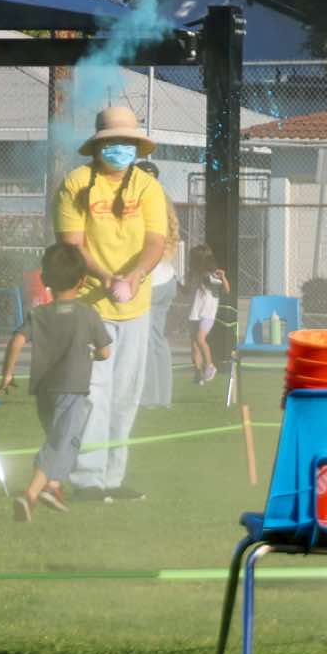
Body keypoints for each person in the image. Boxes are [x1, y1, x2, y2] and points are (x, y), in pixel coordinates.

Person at [55, 105, 169, 501]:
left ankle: (113, 479)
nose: (120, 148)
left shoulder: (148, 187)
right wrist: (105, 277)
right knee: (93, 393)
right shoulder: (76, 183)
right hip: (90, 306)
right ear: (98, 145)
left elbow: (155, 241)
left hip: (135, 306)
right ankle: (88, 479)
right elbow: (72, 244)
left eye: (127, 142)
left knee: (125, 394)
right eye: (113, 142)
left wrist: (135, 276)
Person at [0, 244, 113, 521]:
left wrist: (7, 374)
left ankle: (52, 486)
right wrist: (93, 354)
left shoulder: (38, 314)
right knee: (59, 441)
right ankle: (30, 494)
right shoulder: (88, 314)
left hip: (43, 390)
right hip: (71, 388)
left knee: (68, 438)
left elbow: (17, 341)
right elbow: (105, 352)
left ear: (45, 279)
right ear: (82, 281)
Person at [135, 161, 179, 409]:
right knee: (158, 340)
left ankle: (150, 397)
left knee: (148, 340)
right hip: (166, 278)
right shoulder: (165, 200)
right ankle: (163, 397)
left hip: (152, 281)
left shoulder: (145, 202)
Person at [185, 243, 229, 386]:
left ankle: (210, 366)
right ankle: (198, 374)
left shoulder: (211, 275)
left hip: (207, 314)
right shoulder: (192, 275)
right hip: (194, 313)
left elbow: (226, 290)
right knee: (194, 345)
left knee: (200, 338)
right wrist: (177, 284)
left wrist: (223, 278)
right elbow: (186, 291)